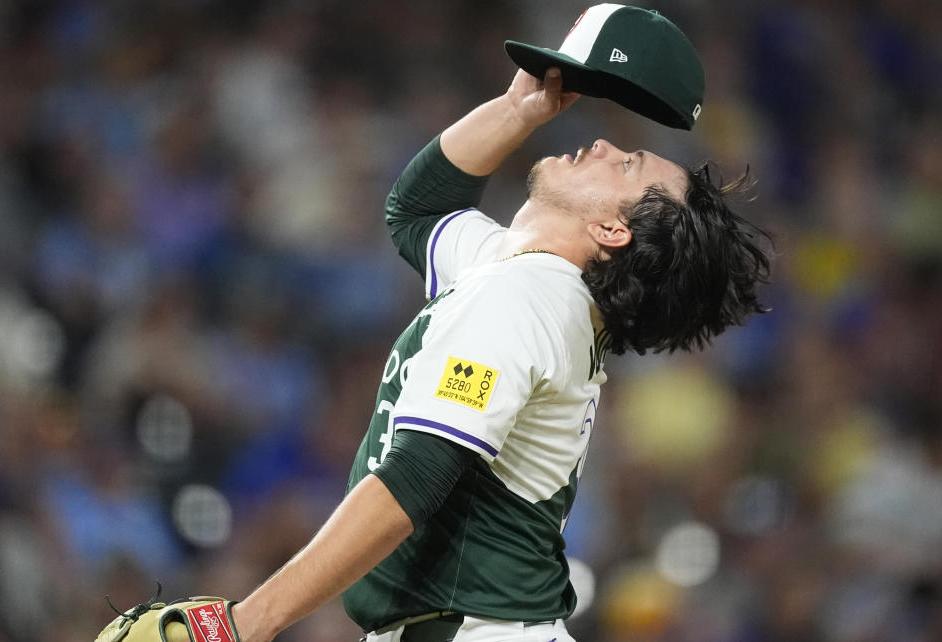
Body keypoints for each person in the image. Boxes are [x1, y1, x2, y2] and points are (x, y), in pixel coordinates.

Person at [225, 66, 770, 642]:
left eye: (627, 165)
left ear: (612, 229)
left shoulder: (525, 296)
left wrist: (244, 624)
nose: (606, 146)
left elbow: (416, 476)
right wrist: (516, 111)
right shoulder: (531, 280)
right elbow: (418, 209)